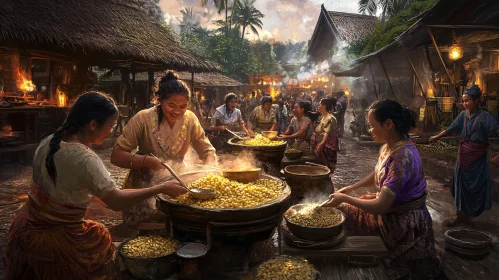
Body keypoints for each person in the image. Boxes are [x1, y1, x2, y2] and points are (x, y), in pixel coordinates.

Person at [3, 92, 187, 280]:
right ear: (93, 124)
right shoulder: (85, 159)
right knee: (100, 240)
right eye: (111, 126)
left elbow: (103, 194)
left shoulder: (48, 142)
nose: (111, 131)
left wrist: (120, 195)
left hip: (27, 225)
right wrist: (160, 188)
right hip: (59, 238)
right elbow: (115, 201)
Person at [325, 100, 442, 279]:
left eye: (372, 126)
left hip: (402, 222)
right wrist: (349, 189)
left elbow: (380, 205)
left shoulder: (403, 156)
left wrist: (345, 199)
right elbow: (377, 174)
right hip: (390, 209)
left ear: (388, 124)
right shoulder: (388, 147)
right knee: (346, 208)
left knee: (344, 212)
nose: (369, 131)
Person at [110, 71, 217, 226]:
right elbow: (116, 155)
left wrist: (211, 167)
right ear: (159, 101)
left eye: (183, 106)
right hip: (145, 184)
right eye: (171, 105)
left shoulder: (190, 119)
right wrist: (147, 161)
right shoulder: (143, 118)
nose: (177, 111)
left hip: (178, 180)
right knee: (148, 231)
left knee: (178, 226)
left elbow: (206, 149)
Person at [429, 85, 499, 227]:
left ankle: (467, 215)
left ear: (476, 101)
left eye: (467, 101)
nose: (464, 104)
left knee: (475, 187)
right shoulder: (463, 115)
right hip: (463, 156)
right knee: (459, 185)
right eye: (463, 101)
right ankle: (460, 215)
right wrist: (437, 136)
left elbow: (497, 131)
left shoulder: (485, 117)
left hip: (477, 159)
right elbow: (452, 128)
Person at [312, 98, 339, 181]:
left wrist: (321, 144)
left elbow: (327, 133)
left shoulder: (330, 118)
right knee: (321, 165)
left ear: (324, 106)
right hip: (321, 143)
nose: (318, 106)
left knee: (327, 166)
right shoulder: (323, 117)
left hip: (328, 146)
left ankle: (326, 182)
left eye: (320, 104)